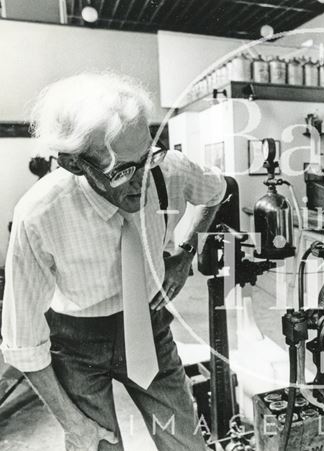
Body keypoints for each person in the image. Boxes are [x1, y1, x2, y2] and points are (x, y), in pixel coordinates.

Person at [1, 73, 226, 451]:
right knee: (98, 444)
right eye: (121, 170)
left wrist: (184, 253)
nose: (141, 183)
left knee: (185, 443)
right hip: (76, 342)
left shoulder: (166, 169)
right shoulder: (39, 214)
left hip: (149, 327)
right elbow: (23, 342)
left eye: (145, 160)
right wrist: (74, 424)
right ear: (75, 165)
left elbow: (216, 190)